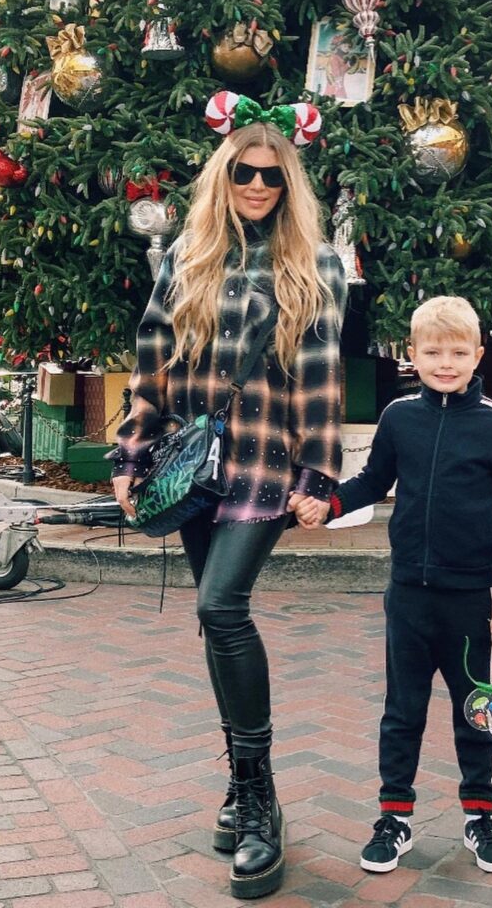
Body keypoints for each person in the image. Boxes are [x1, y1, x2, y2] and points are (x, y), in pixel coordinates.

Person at [110, 92, 346, 900]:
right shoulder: (185, 257)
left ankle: (260, 802)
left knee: (219, 608)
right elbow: (151, 360)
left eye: (271, 178)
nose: (256, 186)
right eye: (244, 173)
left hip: (264, 464)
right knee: (216, 621)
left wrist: (320, 477)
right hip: (194, 465)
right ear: (223, 177)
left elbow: (319, 378)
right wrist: (130, 452)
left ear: (288, 186)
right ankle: (247, 789)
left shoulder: (315, 264)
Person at [290, 295, 492, 876]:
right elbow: (375, 478)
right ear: (413, 355)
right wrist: (330, 504)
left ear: (477, 354)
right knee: (403, 710)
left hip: (473, 598)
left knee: (475, 708)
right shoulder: (400, 416)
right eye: (431, 351)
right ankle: (393, 818)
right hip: (409, 594)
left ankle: (480, 814)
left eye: (456, 352)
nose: (444, 362)